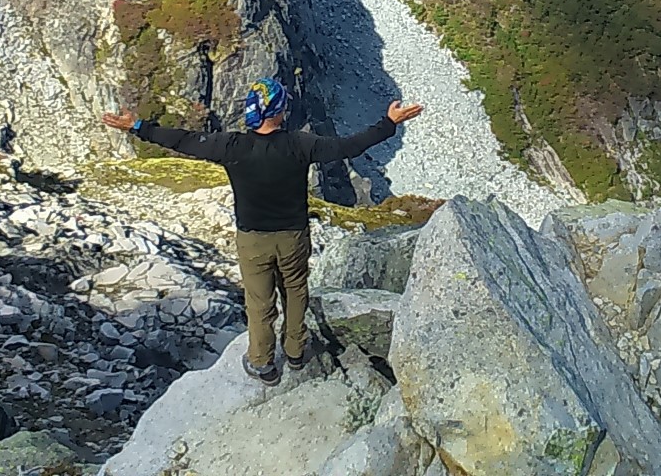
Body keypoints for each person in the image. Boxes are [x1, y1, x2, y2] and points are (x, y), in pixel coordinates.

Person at [100, 78, 423, 384]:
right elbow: (347, 147)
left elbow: (183, 140)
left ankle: (262, 362)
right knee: (295, 292)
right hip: (293, 236)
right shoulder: (300, 143)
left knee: (259, 302)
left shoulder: (231, 146)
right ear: (280, 111)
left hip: (253, 238)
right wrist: (388, 123)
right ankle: (296, 353)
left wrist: (138, 127)